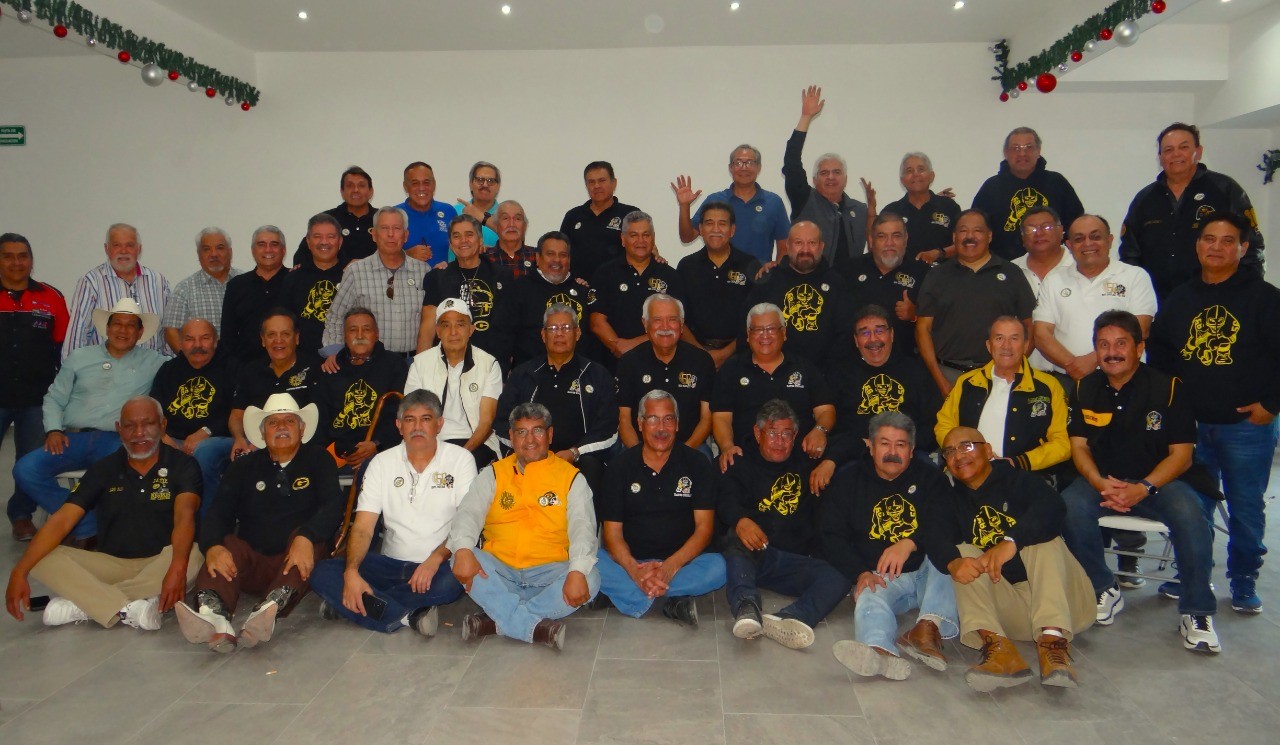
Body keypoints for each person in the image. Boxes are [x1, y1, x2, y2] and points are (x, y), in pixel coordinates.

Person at [1060, 310, 1221, 651]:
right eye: (1103, 345)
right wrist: (1098, 482)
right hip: (1103, 481)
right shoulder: (1084, 387)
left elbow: (1182, 455)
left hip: (1160, 483)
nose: (1112, 352)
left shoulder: (1169, 388)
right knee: (1068, 507)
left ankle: (1197, 611)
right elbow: (1079, 447)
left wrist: (1143, 488)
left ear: (1139, 348)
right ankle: (1103, 587)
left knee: (1190, 514)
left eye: (1121, 344)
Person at [1148, 212, 1280, 614]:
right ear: (1197, 245)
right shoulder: (1180, 298)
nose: (1216, 247)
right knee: (1191, 509)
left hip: (1246, 427)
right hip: (1189, 429)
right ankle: (1192, 574)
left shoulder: (1265, 298)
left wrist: (1271, 405)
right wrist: (1170, 411)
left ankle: (1243, 578)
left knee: (1246, 508)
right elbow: (1161, 357)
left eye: (1227, 241)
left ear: (1242, 248)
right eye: (1209, 239)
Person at [5, 397, 200, 631]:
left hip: (162, 562)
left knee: (194, 554)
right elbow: (62, 520)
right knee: (41, 556)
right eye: (129, 426)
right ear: (119, 429)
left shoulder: (183, 465)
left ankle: (88, 603)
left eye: (148, 424)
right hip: (112, 565)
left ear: (162, 425)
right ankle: (128, 606)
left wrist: (177, 568)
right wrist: (19, 572)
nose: (139, 433)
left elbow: (185, 517)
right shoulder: (104, 469)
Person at [923, 427, 1095, 690]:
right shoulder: (952, 499)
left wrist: (1012, 542)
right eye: (949, 451)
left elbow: (1053, 507)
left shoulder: (1019, 481)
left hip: (1068, 605)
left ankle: (1053, 644)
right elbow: (934, 533)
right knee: (963, 556)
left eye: (966, 446)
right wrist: (952, 561)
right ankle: (1000, 651)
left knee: (1040, 540)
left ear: (987, 450)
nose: (958, 455)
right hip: (1017, 613)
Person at [175, 393, 342, 653]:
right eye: (273, 423)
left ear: (302, 428)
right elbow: (218, 513)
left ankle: (265, 613)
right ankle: (214, 617)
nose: (282, 427)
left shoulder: (319, 459)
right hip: (252, 562)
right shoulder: (243, 466)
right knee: (225, 545)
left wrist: (307, 536)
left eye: (289, 421)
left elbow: (333, 506)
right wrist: (212, 547)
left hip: (298, 561)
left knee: (309, 540)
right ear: (263, 433)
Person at [310, 389, 477, 635]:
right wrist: (352, 572)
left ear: (439, 424)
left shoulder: (461, 459)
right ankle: (408, 615)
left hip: (439, 564)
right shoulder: (381, 463)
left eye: (426, 419)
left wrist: (434, 559)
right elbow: (363, 528)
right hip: (389, 564)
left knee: (453, 582)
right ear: (399, 426)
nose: (417, 427)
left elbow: (465, 522)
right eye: (410, 420)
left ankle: (355, 602)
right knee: (322, 572)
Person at [448, 402, 600, 650]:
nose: (530, 440)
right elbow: (468, 514)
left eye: (537, 431)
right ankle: (532, 625)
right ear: (511, 436)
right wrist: (464, 549)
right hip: (500, 571)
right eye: (521, 432)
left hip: (549, 573)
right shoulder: (493, 473)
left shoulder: (571, 477)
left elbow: (583, 528)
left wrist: (577, 571)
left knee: (590, 577)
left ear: (550, 434)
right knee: (459, 554)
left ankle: (497, 619)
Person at [14, 298, 165, 545]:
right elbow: (54, 398)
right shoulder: (80, 357)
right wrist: (53, 429)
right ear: (107, 328)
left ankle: (110, 531)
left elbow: (185, 371)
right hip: (70, 438)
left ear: (140, 333)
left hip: (116, 442)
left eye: (130, 325)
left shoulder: (155, 362)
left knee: (134, 475)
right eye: (117, 324)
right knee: (26, 469)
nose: (123, 330)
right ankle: (84, 522)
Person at [824, 412, 959, 681]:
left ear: (911, 450)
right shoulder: (848, 480)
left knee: (947, 554)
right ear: (871, 447)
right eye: (884, 444)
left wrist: (911, 542)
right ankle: (879, 651)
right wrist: (860, 573)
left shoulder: (932, 479)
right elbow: (830, 535)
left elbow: (948, 523)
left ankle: (927, 629)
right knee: (868, 593)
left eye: (900, 445)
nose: (892, 452)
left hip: (929, 572)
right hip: (884, 575)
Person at [719, 399, 851, 650]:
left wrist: (829, 462)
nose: (779, 441)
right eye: (772, 433)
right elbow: (724, 500)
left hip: (795, 560)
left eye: (786, 434)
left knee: (841, 574)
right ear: (757, 433)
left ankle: (790, 618)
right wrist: (740, 520)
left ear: (795, 435)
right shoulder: (741, 460)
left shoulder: (806, 456)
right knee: (735, 536)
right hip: (756, 555)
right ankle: (747, 607)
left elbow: (853, 441)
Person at [596, 390, 724, 625]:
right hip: (631, 561)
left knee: (719, 568)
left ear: (677, 424)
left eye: (668, 419)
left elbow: (704, 529)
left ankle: (631, 595)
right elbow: (612, 535)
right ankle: (669, 600)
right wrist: (635, 570)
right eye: (653, 419)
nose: (661, 428)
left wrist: (669, 567)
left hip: (682, 563)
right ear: (640, 423)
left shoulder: (697, 463)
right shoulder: (619, 467)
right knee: (592, 561)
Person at [1120, 123, 1266, 299]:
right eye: (1168, 150)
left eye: (1183, 147)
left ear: (1199, 151)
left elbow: (1252, 247)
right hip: (1157, 301)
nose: (1176, 154)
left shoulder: (1225, 189)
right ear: (1160, 157)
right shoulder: (1144, 199)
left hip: (1218, 298)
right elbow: (1130, 254)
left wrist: (1249, 293)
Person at [934, 316, 1071, 486]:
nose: (1006, 346)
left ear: (1026, 345)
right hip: (967, 475)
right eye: (999, 338)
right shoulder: (967, 382)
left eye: (1014, 338)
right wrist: (962, 454)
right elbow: (944, 425)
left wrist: (1017, 462)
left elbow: (1062, 443)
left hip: (1025, 478)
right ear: (989, 346)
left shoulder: (1048, 386)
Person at [497, 304, 617, 495]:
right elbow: (502, 423)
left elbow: (607, 428)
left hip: (578, 459)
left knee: (591, 468)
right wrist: (531, 450)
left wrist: (574, 452)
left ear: (577, 333)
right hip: (529, 456)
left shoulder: (597, 375)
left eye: (566, 328)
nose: (559, 333)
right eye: (552, 328)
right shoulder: (523, 374)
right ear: (543, 335)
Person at [916, 209, 1036, 395]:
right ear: (954, 237)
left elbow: (1030, 326)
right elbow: (923, 329)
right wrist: (940, 379)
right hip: (946, 375)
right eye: (963, 231)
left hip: (998, 376)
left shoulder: (1012, 273)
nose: (969, 236)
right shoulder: (937, 275)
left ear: (989, 236)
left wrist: (1011, 368)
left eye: (977, 231)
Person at [0, 233, 69, 541]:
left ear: (31, 259)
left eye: (22, 256)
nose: (16, 262)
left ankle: (21, 516)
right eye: (8, 256)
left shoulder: (51, 298)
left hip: (35, 398)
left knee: (29, 461)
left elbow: (64, 349)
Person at [1033, 214, 1157, 382]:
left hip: (1124, 379)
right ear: (1069, 245)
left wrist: (1093, 360)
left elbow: (1141, 328)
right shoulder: (1053, 279)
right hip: (1067, 378)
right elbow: (1041, 334)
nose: (1088, 243)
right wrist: (1073, 366)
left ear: (1110, 240)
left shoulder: (1135, 276)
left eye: (1095, 237)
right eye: (1079, 239)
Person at [711, 303, 835, 471]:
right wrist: (727, 446)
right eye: (758, 330)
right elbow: (721, 418)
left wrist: (820, 430)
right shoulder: (731, 369)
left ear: (784, 333)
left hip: (799, 460)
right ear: (748, 335)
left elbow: (826, 411)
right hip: (746, 461)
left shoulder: (804, 368)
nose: (765, 336)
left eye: (771, 329)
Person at [823, 305, 939, 473]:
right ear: (856, 340)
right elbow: (836, 428)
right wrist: (862, 445)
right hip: (856, 455)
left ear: (891, 335)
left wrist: (904, 444)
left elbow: (933, 422)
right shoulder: (839, 375)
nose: (873, 339)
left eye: (879, 331)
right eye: (864, 333)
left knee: (932, 476)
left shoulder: (916, 371)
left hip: (910, 454)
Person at [149, 319, 238, 517]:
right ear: (181, 343)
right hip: (172, 439)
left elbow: (238, 411)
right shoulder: (168, 370)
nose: (198, 345)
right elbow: (153, 409)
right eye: (190, 339)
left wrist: (205, 432)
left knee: (204, 452)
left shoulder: (232, 367)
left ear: (215, 340)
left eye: (204, 338)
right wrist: (163, 437)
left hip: (218, 438)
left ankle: (207, 523)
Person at [406, 298, 502, 468]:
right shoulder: (420, 364)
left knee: (467, 469)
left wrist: (462, 456)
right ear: (438, 331)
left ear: (471, 330)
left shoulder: (489, 364)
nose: (453, 332)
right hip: (431, 442)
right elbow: (413, 417)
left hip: (475, 442)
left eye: (460, 324)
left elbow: (486, 423)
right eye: (446, 325)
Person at [323, 206, 431, 358]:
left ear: (406, 235)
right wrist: (334, 353)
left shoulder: (424, 271)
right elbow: (336, 317)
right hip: (369, 362)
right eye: (384, 228)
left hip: (413, 362)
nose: (391, 234)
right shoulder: (356, 272)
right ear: (374, 234)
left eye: (396, 228)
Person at [781, 85, 871, 266]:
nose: (831, 177)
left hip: (847, 282)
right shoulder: (804, 200)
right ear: (814, 180)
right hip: (808, 280)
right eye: (824, 173)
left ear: (845, 179)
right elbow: (792, 163)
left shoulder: (861, 210)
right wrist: (805, 117)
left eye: (837, 172)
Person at [743, 220, 853, 367]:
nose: (805, 250)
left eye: (812, 243)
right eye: (798, 243)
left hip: (824, 373)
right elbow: (748, 329)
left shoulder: (837, 284)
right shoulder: (768, 281)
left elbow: (845, 336)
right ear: (788, 246)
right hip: (773, 372)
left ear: (821, 247)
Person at [615, 294, 715, 450]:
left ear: (682, 324)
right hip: (640, 449)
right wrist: (640, 456)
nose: (665, 327)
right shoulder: (628, 363)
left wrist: (683, 455)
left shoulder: (702, 361)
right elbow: (624, 420)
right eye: (657, 320)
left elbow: (707, 419)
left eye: (672, 320)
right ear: (645, 324)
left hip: (691, 448)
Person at [314, 308, 408, 471]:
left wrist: (376, 444)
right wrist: (323, 457)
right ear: (344, 336)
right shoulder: (331, 369)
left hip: (381, 452)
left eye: (366, 329)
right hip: (336, 454)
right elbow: (320, 420)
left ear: (376, 334)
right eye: (353, 330)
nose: (359, 336)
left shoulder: (393, 365)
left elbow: (400, 414)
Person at [971, 126, 1083, 261]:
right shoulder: (991, 187)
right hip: (1002, 266)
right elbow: (976, 228)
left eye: (1028, 147)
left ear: (1038, 151)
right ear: (1006, 153)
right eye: (1016, 148)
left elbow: (1077, 225)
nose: (1022, 153)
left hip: (1054, 265)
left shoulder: (1057, 183)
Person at [418, 214, 516, 368]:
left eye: (469, 235)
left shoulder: (502, 276)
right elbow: (427, 329)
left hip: (492, 364)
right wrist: (420, 368)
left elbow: (509, 326)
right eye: (456, 236)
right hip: (447, 365)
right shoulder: (437, 277)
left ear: (480, 240)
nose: (463, 240)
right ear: (450, 243)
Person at [590, 210, 684, 363]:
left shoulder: (670, 276)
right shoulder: (605, 273)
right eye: (634, 235)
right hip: (614, 361)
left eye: (646, 235)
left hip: (660, 362)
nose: (641, 241)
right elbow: (596, 322)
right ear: (623, 239)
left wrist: (632, 345)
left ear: (653, 238)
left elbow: (677, 325)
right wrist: (618, 347)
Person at [63, 223, 170, 358]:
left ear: (139, 249)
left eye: (130, 245)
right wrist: (72, 367)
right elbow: (77, 334)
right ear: (106, 249)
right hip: (105, 369)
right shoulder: (91, 282)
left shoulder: (158, 281)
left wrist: (170, 366)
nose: (123, 251)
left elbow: (169, 331)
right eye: (116, 245)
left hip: (153, 368)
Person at [674, 201, 760, 368]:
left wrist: (724, 354)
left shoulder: (750, 265)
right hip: (693, 354)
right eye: (709, 223)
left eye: (722, 224)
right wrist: (701, 353)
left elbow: (755, 317)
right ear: (700, 229)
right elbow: (677, 316)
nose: (715, 229)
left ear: (732, 230)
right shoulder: (686, 266)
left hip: (740, 355)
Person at [673, 145, 789, 264]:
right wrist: (684, 206)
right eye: (738, 163)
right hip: (719, 274)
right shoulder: (715, 200)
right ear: (730, 168)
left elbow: (784, 248)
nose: (744, 168)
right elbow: (687, 237)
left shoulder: (774, 202)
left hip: (759, 274)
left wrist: (776, 273)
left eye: (750, 163)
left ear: (759, 167)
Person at [229, 309, 320, 458]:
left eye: (285, 334)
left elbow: (318, 420)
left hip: (297, 443)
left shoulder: (315, 369)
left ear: (296, 338)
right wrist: (239, 439)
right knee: (208, 450)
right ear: (263, 340)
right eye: (271, 335)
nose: (278, 340)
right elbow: (237, 415)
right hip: (252, 441)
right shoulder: (251, 371)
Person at [842, 212, 928, 356]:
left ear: (906, 239)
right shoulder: (848, 271)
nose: (889, 243)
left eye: (896, 236)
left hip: (906, 360)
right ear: (871, 240)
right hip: (854, 360)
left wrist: (916, 314)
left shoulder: (923, 274)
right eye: (882, 236)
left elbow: (941, 323)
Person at [508, 231, 598, 366]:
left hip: (578, 373)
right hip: (530, 373)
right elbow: (505, 336)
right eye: (550, 254)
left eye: (563, 255)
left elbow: (592, 341)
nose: (557, 260)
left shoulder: (583, 292)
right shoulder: (518, 289)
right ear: (538, 258)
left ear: (569, 260)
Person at [161, 227, 240, 353]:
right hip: (202, 363)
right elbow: (171, 330)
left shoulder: (246, 282)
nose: (214, 254)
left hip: (243, 362)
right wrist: (190, 360)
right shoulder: (185, 289)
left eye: (220, 248)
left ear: (230, 252)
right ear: (199, 254)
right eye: (206, 249)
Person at [219, 225, 289, 364]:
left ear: (283, 250)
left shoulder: (295, 280)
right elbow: (228, 336)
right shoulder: (236, 285)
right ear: (253, 250)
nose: (268, 250)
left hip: (291, 366)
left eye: (274, 244)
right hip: (247, 367)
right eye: (261, 244)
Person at [560, 161, 640, 282]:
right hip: (579, 287)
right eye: (591, 182)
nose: (596, 186)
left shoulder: (630, 214)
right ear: (586, 186)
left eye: (602, 180)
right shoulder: (573, 216)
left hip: (619, 286)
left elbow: (643, 248)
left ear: (614, 183)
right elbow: (561, 252)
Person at [281, 213, 346, 356]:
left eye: (331, 237)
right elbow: (285, 324)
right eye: (317, 236)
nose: (324, 242)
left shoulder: (351, 277)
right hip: (302, 359)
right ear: (308, 242)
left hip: (344, 359)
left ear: (340, 241)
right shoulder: (293, 279)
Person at [880, 152, 961, 265]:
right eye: (909, 170)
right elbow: (878, 247)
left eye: (921, 169)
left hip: (942, 274)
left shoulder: (949, 207)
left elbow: (961, 245)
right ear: (902, 180)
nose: (916, 174)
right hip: (901, 274)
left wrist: (939, 253)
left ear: (932, 176)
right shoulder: (891, 211)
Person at [291, 165, 377, 267]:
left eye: (361, 186)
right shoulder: (327, 220)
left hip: (376, 276)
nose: (356, 190)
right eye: (350, 186)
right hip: (332, 276)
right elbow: (302, 256)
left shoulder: (381, 220)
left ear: (371, 191)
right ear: (342, 191)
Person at [397, 161, 456, 266]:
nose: (421, 188)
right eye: (415, 183)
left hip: (443, 276)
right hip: (404, 276)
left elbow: (461, 247)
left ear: (434, 184)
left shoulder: (448, 211)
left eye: (426, 182)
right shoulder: (394, 215)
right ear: (405, 186)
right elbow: (381, 255)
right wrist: (406, 255)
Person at [483, 200, 538, 278]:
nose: (511, 224)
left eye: (518, 219)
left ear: (525, 226)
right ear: (496, 226)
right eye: (505, 218)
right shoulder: (484, 258)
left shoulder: (538, 256)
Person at [455, 161, 503, 247]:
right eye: (480, 180)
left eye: (490, 181)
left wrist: (481, 216)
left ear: (498, 186)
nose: (485, 185)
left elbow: (516, 241)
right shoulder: (454, 212)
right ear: (470, 184)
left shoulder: (506, 215)